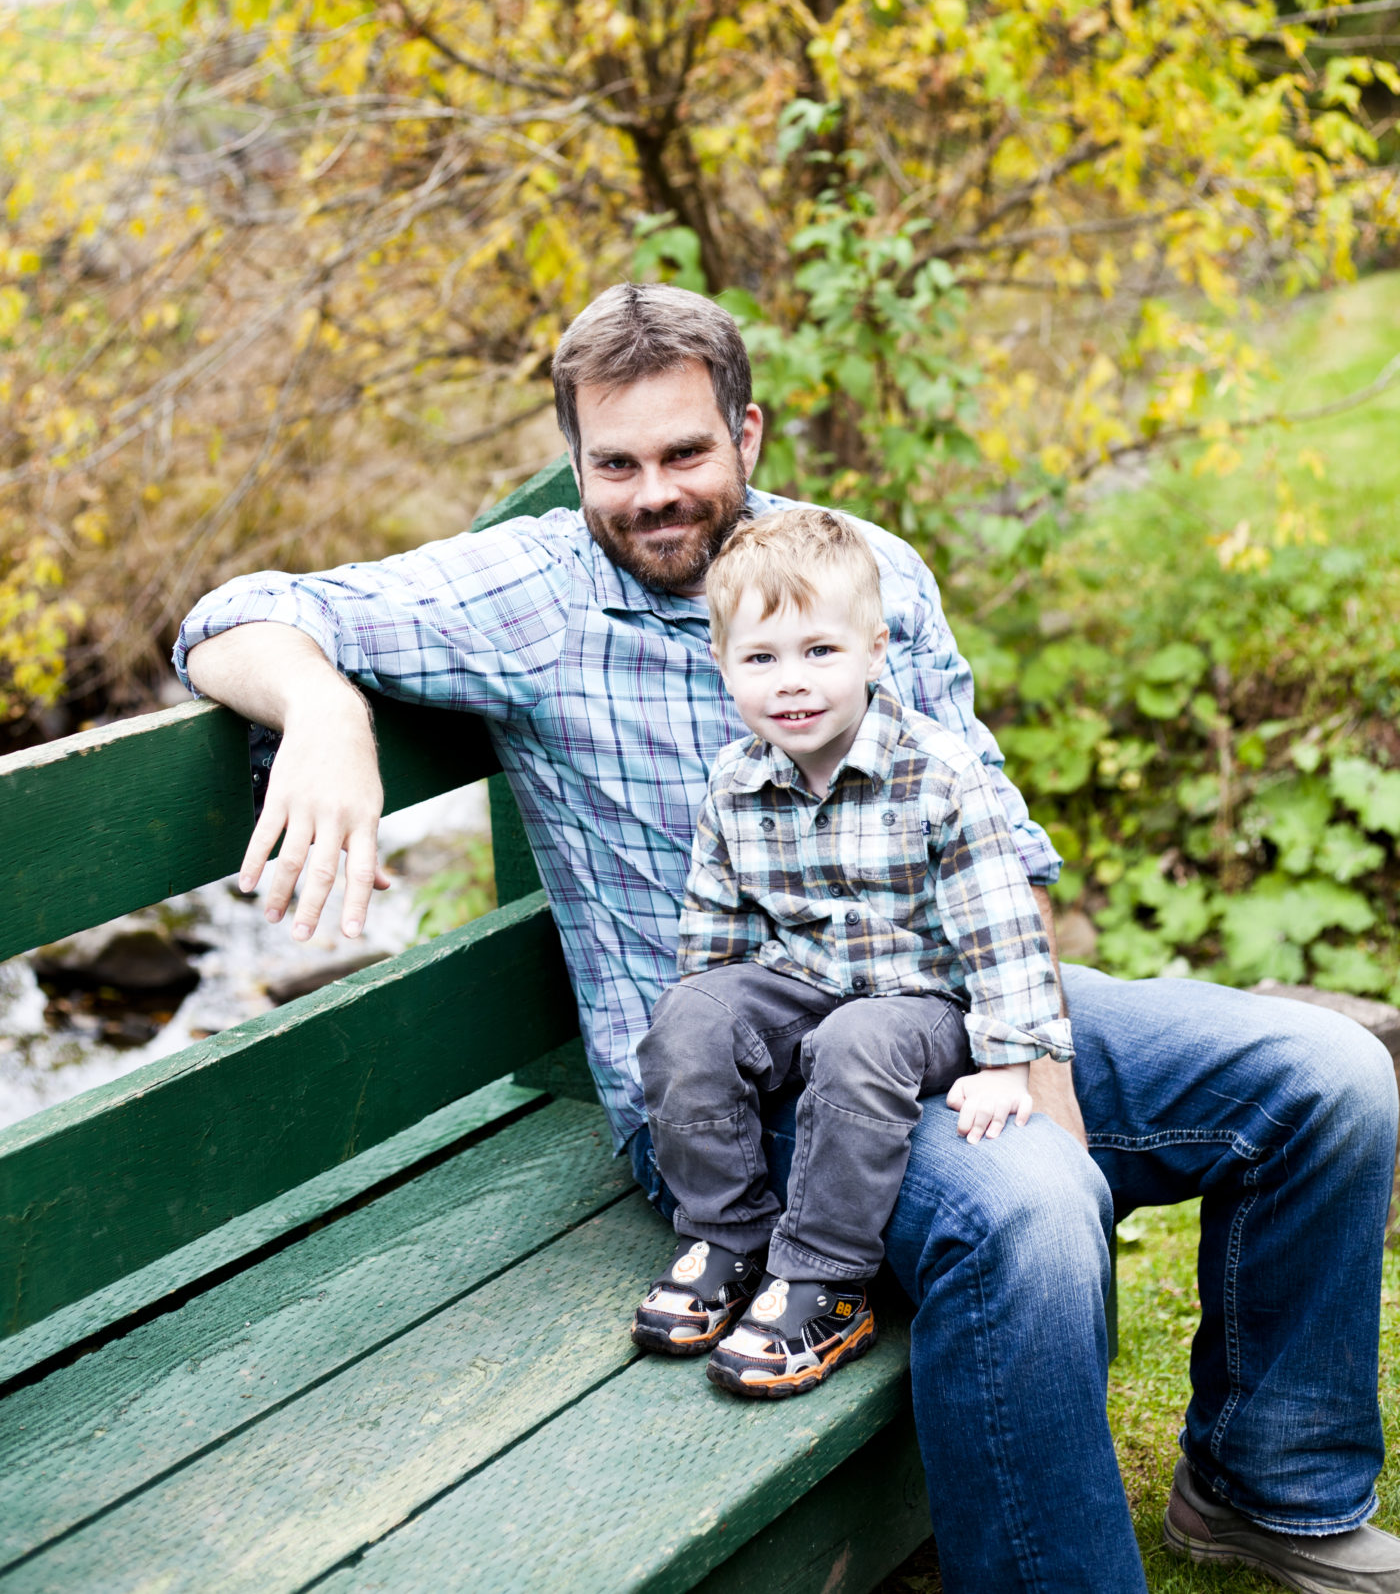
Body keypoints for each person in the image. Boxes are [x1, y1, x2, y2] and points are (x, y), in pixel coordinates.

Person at [176, 283, 1400, 1594]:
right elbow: (234, 612)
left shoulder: (862, 573)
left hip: (946, 1009)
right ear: (578, 464)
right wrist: (322, 710)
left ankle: (1267, 1484)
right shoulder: (531, 595)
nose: (654, 492)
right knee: (1037, 1205)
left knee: (1326, 1078)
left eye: (686, 453)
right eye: (617, 463)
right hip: (741, 1100)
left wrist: (1027, 1040)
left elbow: (995, 834)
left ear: (747, 436)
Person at [632, 505, 1072, 1401]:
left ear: (875, 651)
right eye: (761, 658)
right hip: (808, 983)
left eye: (819, 652)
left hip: (926, 1001)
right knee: (688, 1015)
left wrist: (1009, 1063)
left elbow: (1002, 933)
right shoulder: (734, 781)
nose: (791, 683)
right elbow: (716, 933)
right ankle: (730, 1238)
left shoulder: (940, 775)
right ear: (723, 666)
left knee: (858, 1040)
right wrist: (719, 1037)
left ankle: (827, 1280)